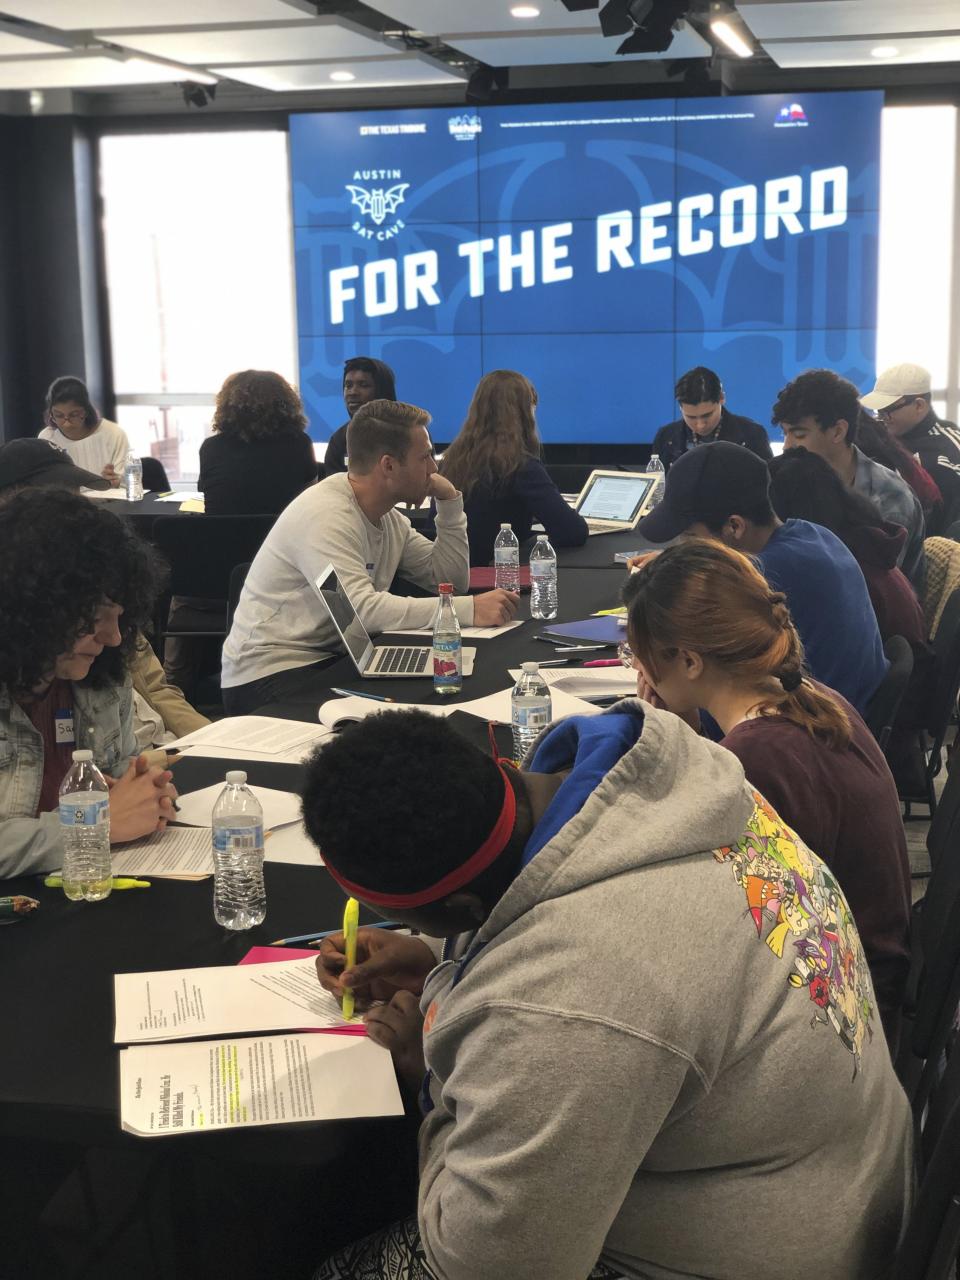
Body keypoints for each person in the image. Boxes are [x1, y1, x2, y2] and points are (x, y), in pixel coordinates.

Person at [305, 708, 912, 1280]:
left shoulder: (570, 999)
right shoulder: (664, 788)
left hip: (774, 1253)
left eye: (413, 919)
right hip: (835, 1172)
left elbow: (491, 1265)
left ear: (462, 905)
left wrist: (428, 1071)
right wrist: (445, 955)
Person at [622, 538, 912, 1047]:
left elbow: (723, 916)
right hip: (866, 969)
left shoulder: (759, 758)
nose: (639, 669)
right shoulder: (808, 696)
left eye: (639, 654)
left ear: (689, 662)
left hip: (843, 1018)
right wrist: (688, 730)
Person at [221, 399, 518, 715]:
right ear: (389, 466)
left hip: (336, 657)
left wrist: (450, 504)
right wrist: (469, 609)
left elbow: (449, 582)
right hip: (269, 673)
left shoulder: (388, 518)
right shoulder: (326, 516)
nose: (434, 468)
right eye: (425, 457)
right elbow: (359, 611)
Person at [631, 442, 888, 716]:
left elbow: (712, 692)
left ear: (734, 526)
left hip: (810, 731)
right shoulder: (812, 534)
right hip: (847, 717)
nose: (686, 547)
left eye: (691, 538)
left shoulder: (761, 579)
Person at [0, 488, 178, 879]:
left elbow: (122, 779)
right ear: (33, 613)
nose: (114, 637)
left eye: (119, 616)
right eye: (96, 617)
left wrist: (149, 794)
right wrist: (94, 824)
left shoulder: (101, 680)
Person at [0, 437, 210, 756]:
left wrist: (211, 743)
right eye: (57, 497)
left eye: (76, 496)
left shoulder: (98, 587)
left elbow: (155, 688)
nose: (74, 509)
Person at [772, 368, 925, 590]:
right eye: (785, 434)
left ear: (837, 432)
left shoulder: (888, 500)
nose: (787, 446)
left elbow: (871, 590)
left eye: (799, 435)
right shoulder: (796, 484)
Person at [439, 370, 588, 564]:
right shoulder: (519, 465)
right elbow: (572, 532)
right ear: (525, 412)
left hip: (450, 573)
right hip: (496, 579)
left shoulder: (452, 459)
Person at [198, 370, 318, 516]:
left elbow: (207, 492)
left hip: (224, 537)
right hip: (282, 537)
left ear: (227, 405)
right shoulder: (300, 444)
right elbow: (309, 499)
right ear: (286, 404)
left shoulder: (211, 448)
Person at [861, 362, 960, 533]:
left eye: (889, 410)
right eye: (879, 411)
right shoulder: (877, 439)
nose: (882, 417)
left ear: (919, 405)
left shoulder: (949, 449)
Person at [650, 366, 772, 471]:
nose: (700, 425)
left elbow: (768, 488)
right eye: (691, 417)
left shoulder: (753, 434)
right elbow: (657, 490)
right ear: (680, 407)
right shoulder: (665, 437)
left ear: (722, 398)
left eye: (707, 415)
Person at [37, 375, 130, 488]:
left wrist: (116, 481)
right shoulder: (47, 438)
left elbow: (128, 484)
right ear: (51, 414)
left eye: (74, 415)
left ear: (86, 411)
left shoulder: (113, 434)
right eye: (59, 415)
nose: (66, 423)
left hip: (109, 502)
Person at [857, 411, 943, 528]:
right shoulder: (886, 442)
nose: (885, 419)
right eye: (880, 413)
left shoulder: (882, 479)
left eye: (889, 411)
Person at [323, 357, 397, 476]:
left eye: (363, 385)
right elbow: (333, 491)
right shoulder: (339, 440)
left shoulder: (410, 434)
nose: (353, 392)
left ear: (382, 390)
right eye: (348, 385)